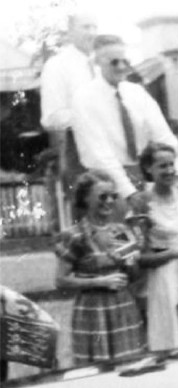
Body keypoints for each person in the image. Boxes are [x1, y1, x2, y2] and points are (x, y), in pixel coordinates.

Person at [72, 34, 178, 206]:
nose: (122, 67)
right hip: (107, 184)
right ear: (98, 62)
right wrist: (129, 193)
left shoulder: (137, 93)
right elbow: (99, 155)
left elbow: (165, 138)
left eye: (126, 61)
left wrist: (175, 176)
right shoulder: (84, 98)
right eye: (114, 62)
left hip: (145, 177)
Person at [54, 169, 146, 364]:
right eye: (102, 196)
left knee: (129, 366)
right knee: (97, 370)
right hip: (92, 312)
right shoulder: (74, 235)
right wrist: (100, 281)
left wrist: (129, 262)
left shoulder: (121, 231)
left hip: (123, 308)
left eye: (113, 196)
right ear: (86, 199)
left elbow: (135, 276)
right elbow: (61, 281)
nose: (110, 201)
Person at [133, 143, 178, 351]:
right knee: (174, 334)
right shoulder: (142, 202)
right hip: (167, 278)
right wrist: (176, 252)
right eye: (162, 166)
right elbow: (140, 257)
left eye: (172, 164)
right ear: (148, 168)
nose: (170, 170)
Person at [40, 12, 98, 229]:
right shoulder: (57, 66)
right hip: (79, 151)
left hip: (112, 150)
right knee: (84, 225)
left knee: (115, 226)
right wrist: (92, 117)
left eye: (94, 27)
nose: (92, 33)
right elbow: (51, 116)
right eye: (86, 27)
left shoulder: (103, 64)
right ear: (70, 31)